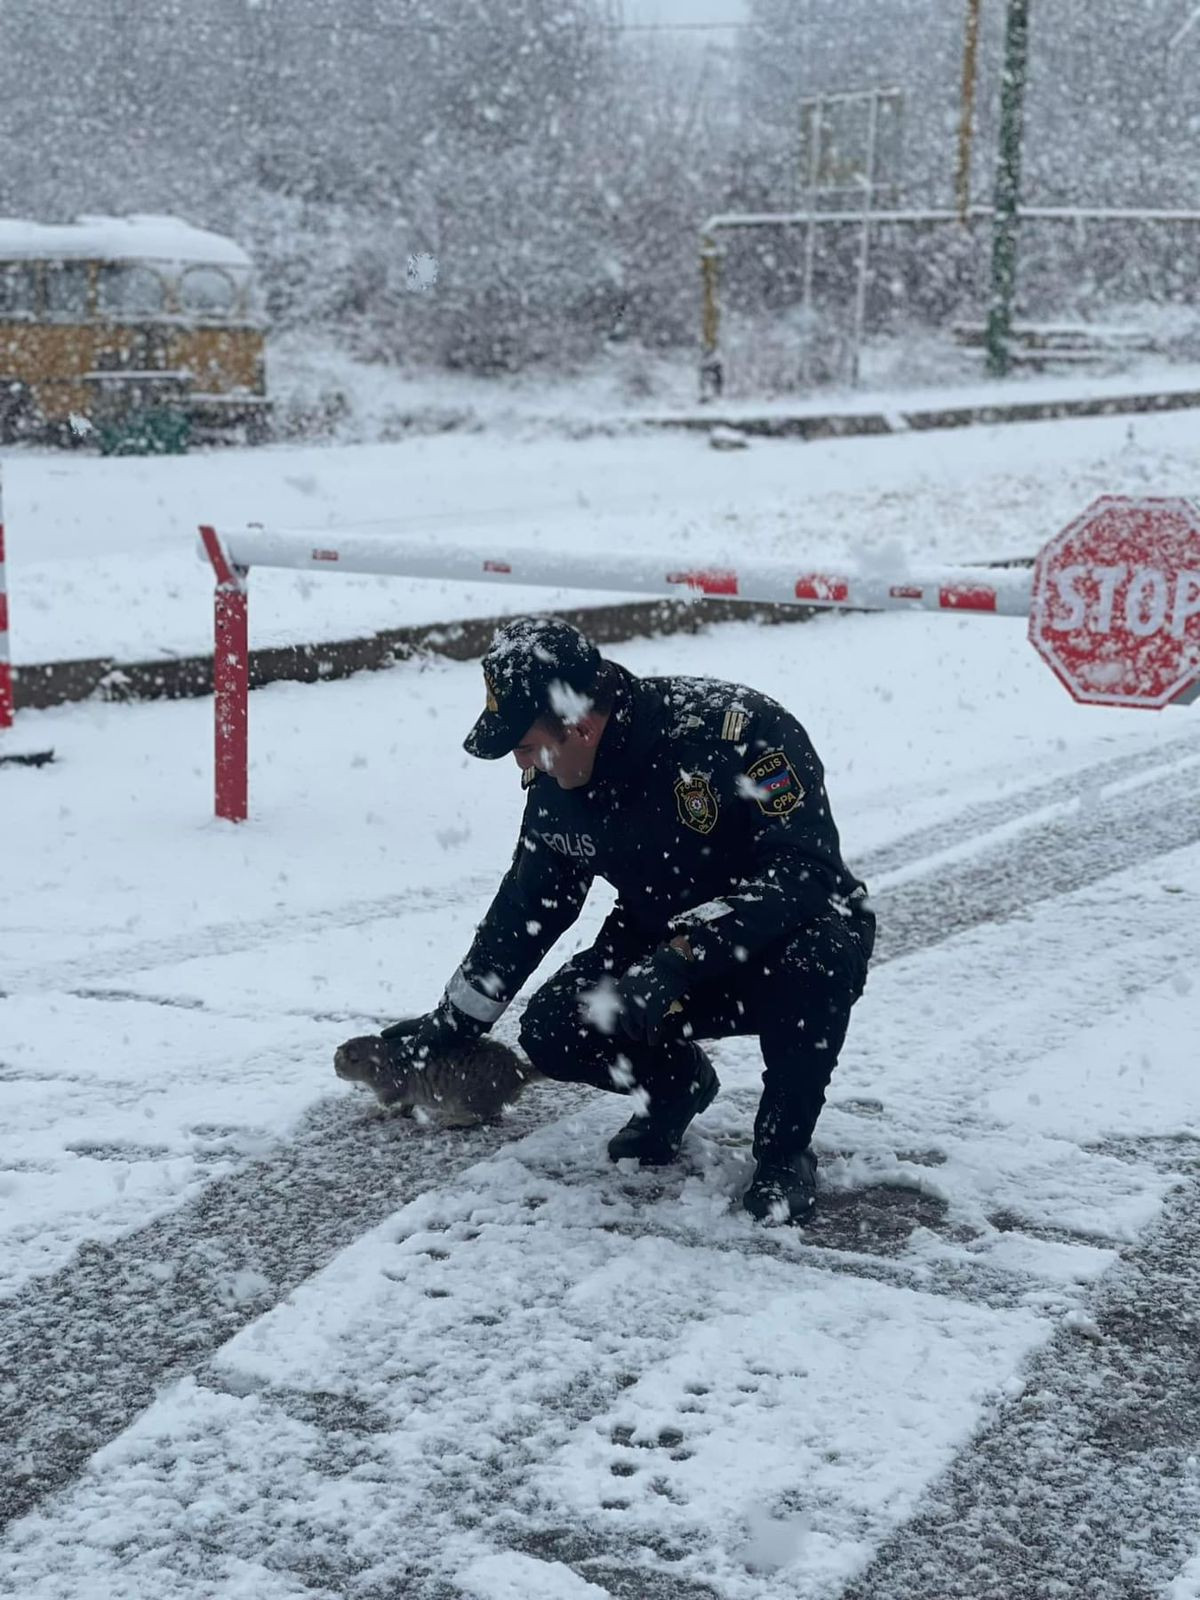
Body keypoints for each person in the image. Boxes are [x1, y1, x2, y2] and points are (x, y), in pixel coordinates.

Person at [343, 616, 875, 1224]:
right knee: (552, 1027)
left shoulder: (737, 732)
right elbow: (528, 907)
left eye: (525, 746)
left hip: (785, 936)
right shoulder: (558, 780)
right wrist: (452, 1021)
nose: (524, 765)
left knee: (820, 962)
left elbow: (803, 875)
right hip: (653, 945)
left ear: (581, 723)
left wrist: (685, 954)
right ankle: (675, 1087)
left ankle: (784, 1152)